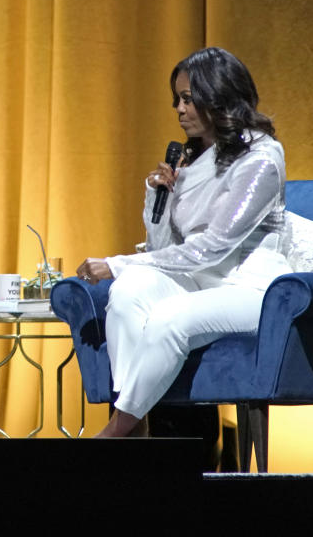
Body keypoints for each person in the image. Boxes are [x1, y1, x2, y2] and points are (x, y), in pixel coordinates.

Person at [76, 47, 292, 438]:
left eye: (188, 99)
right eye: (177, 99)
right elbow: (163, 250)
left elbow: (213, 246)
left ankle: (115, 431)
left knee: (169, 317)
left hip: (250, 289)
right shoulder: (194, 161)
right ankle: (137, 425)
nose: (178, 108)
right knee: (127, 293)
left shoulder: (261, 157)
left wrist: (119, 262)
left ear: (218, 96)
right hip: (197, 280)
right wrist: (159, 196)